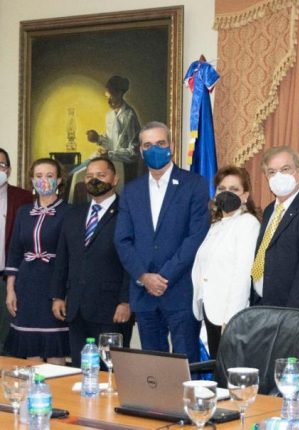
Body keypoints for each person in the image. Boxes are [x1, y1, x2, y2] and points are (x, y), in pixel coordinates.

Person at [114, 121, 210, 361]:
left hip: (180, 291)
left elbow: (196, 237)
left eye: (160, 143)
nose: (154, 149)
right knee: (152, 368)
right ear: (140, 150)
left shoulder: (194, 184)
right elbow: (122, 240)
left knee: (186, 365)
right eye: (148, 145)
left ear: (172, 147)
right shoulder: (131, 190)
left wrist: (164, 276)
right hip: (144, 293)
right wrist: (144, 277)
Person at [50, 157, 133, 367]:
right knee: (81, 369)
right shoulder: (73, 213)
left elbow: (132, 262)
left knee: (111, 371)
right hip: (76, 307)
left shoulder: (128, 213)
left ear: (115, 179)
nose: (94, 180)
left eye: (101, 175)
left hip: (112, 309)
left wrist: (126, 301)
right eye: (89, 176)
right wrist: (58, 296)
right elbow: (63, 257)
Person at [5, 158, 69, 364]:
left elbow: (72, 256)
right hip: (26, 285)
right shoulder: (23, 212)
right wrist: (10, 291)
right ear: (32, 179)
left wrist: (63, 294)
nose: (44, 180)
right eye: (39, 176)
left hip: (54, 285)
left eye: (50, 176)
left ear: (59, 180)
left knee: (55, 349)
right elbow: (14, 253)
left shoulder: (70, 212)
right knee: (30, 349)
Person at [191, 165, 260, 357]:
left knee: (229, 370)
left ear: (245, 195)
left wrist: (231, 319)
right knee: (217, 368)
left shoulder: (247, 223)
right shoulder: (216, 225)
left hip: (228, 316)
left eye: (234, 189)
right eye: (221, 189)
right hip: (210, 310)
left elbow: (242, 275)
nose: (226, 193)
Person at [250, 146, 299, 309]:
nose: (278, 176)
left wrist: (292, 311)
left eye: (285, 169)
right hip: (261, 303)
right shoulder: (270, 210)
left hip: (290, 309)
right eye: (271, 172)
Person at [0, 148, 33, 354]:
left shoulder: (24, 198)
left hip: (9, 281)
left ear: (9, 170)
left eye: (1, 165)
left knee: (8, 342)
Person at [87, 75, 141, 185]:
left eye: (111, 96)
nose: (108, 101)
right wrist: (98, 139)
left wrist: (110, 154)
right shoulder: (110, 116)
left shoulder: (129, 116)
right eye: (107, 97)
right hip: (112, 165)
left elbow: (134, 153)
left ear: (120, 94)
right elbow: (111, 143)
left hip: (125, 170)